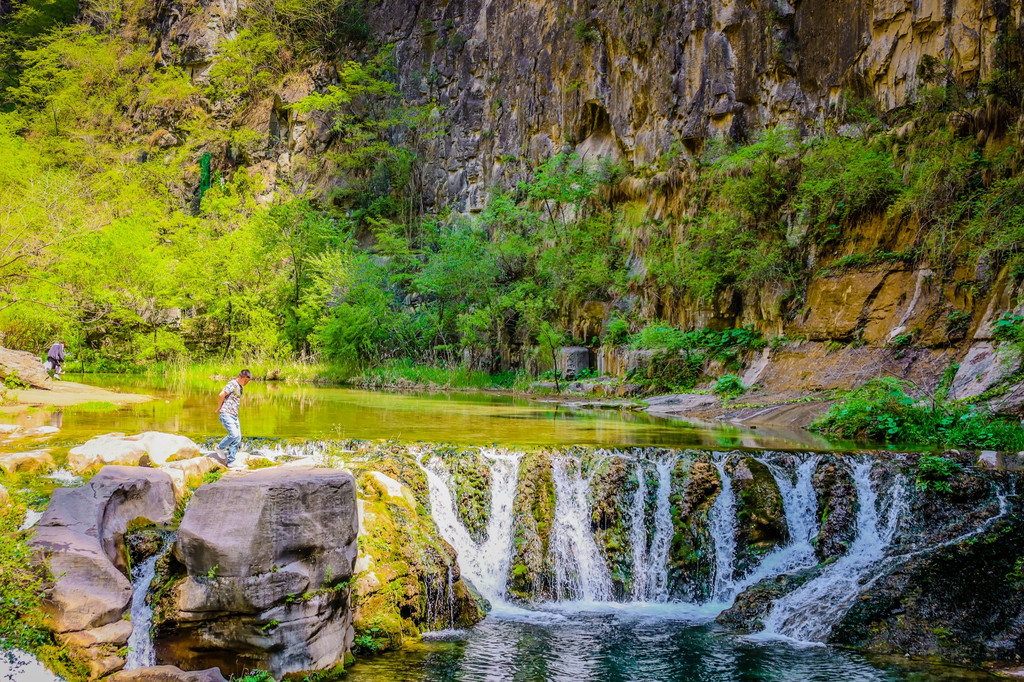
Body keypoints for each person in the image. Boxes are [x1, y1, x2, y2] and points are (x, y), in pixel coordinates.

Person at [211, 369, 252, 468]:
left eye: (248, 381)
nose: (246, 383)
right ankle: (219, 448)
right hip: (226, 413)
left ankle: (231, 461)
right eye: (245, 380)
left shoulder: (240, 387)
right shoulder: (233, 383)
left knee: (238, 437)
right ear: (240, 377)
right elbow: (222, 394)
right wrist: (219, 408)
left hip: (234, 415)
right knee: (233, 434)